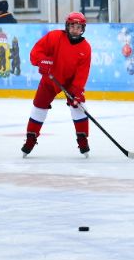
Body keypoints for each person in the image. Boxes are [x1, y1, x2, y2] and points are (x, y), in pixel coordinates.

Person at [22, 13, 92, 157]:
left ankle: (82, 139)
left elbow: (82, 73)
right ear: (67, 26)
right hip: (50, 79)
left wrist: (77, 92)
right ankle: (31, 138)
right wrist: (42, 61)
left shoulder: (85, 48)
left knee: (78, 106)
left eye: (78, 27)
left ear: (83, 29)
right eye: (72, 26)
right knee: (39, 106)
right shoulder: (54, 37)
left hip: (70, 83)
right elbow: (35, 52)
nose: (75, 30)